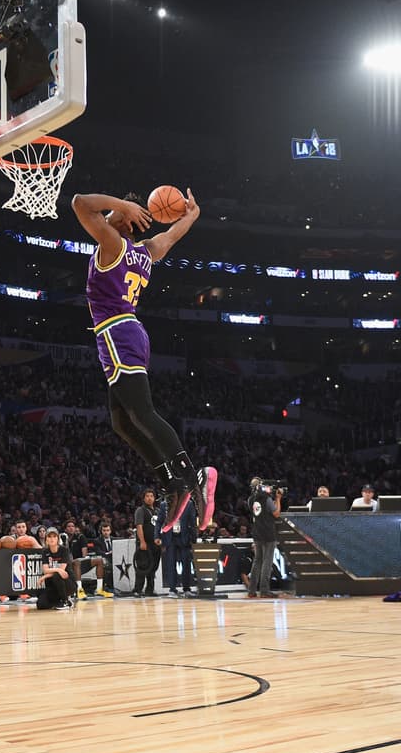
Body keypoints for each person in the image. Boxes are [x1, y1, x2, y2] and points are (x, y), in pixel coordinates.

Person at [71, 189, 217, 533]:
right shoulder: (145, 251)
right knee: (122, 422)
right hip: (127, 334)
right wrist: (192, 215)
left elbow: (79, 203)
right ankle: (171, 482)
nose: (106, 217)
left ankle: (193, 478)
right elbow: (169, 236)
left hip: (118, 334)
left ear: (124, 221)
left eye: (114, 214)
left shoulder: (113, 244)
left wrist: (122, 205)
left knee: (142, 414)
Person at [247, 478, 283, 598]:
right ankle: (264, 590)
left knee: (257, 561)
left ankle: (251, 590)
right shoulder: (266, 499)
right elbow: (276, 513)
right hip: (268, 533)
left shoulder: (250, 499)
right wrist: (277, 499)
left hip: (257, 532)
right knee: (267, 562)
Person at [133, 488, 161, 597]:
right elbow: (139, 526)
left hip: (156, 543)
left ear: (154, 498)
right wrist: (142, 541)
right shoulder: (140, 510)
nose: (149, 498)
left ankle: (150, 589)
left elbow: (162, 527)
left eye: (151, 496)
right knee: (142, 566)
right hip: (145, 543)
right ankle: (137, 590)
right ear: (144, 498)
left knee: (153, 567)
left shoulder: (158, 511)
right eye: (147, 496)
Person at [37, 527, 73, 610]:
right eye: (49, 537)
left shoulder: (64, 550)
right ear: (46, 540)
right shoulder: (45, 552)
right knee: (41, 604)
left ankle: (66, 601)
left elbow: (62, 571)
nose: (52, 539)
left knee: (57, 575)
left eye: (54, 536)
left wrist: (44, 576)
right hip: (53, 585)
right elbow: (45, 570)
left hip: (68, 583)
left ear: (58, 539)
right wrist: (57, 569)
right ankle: (58, 601)